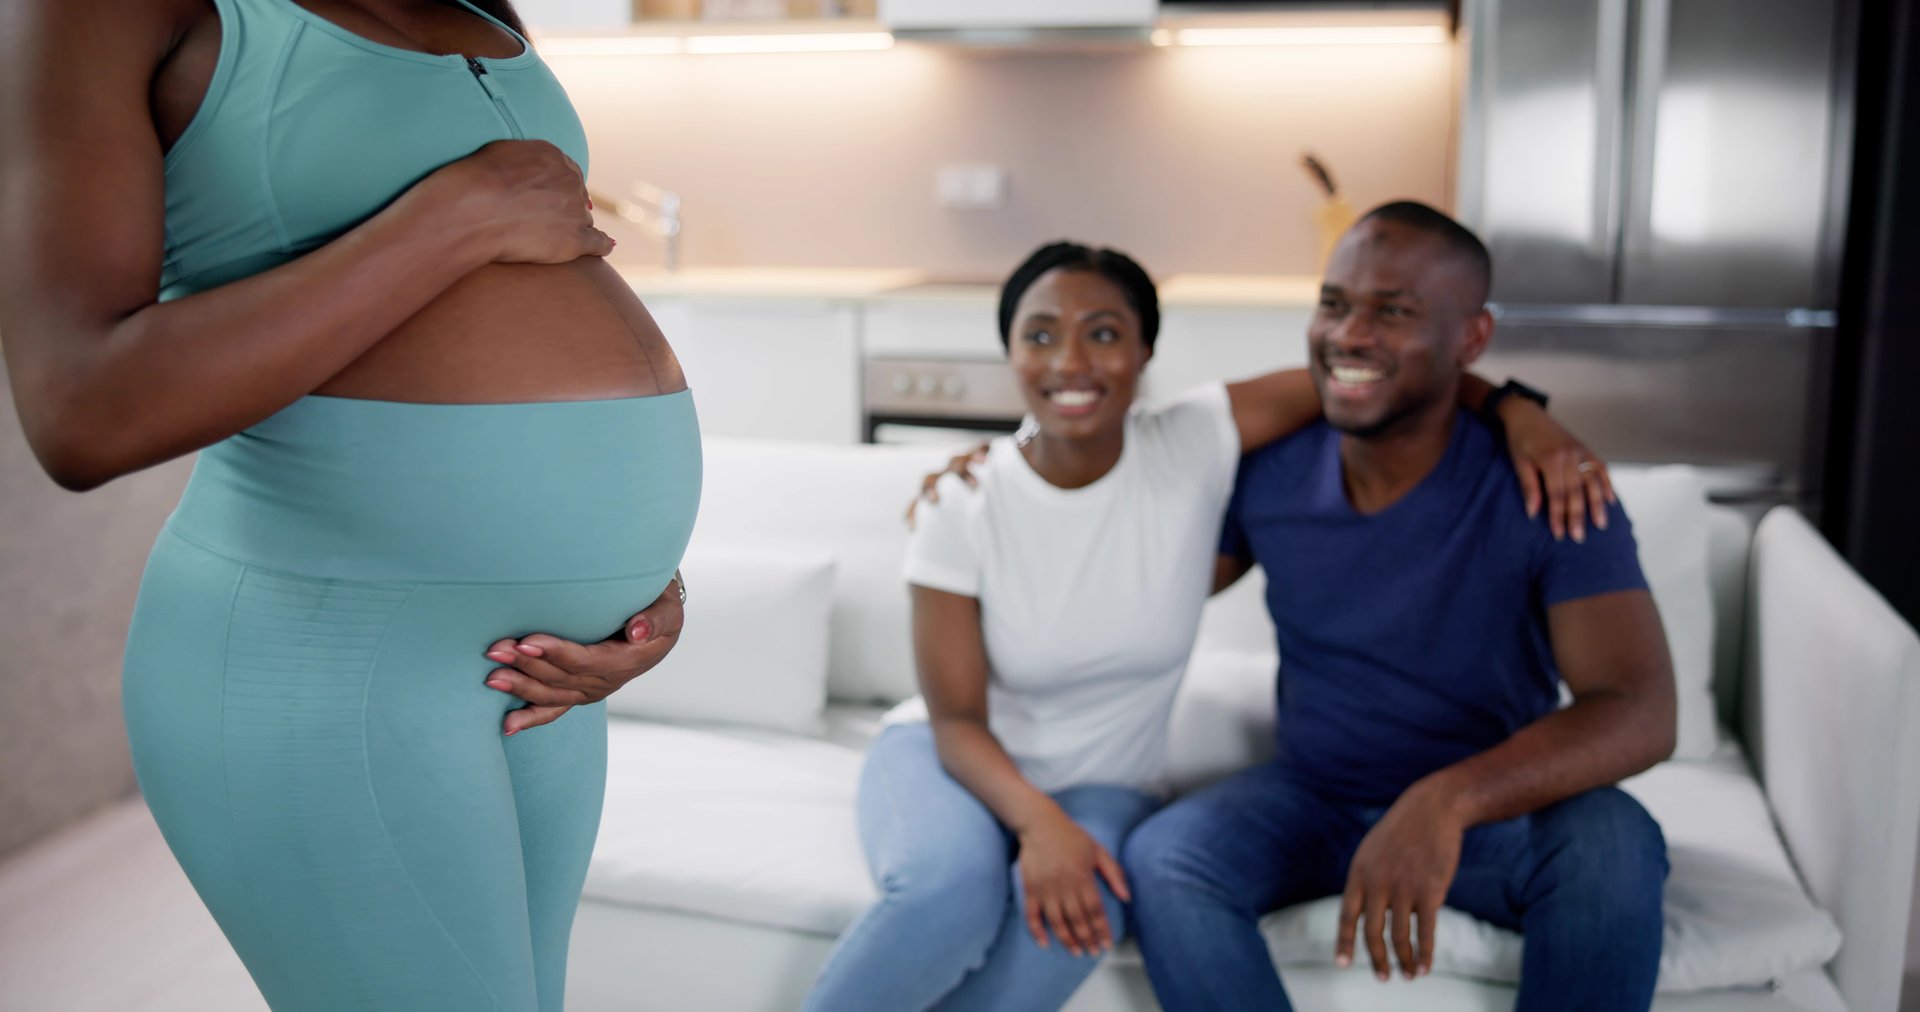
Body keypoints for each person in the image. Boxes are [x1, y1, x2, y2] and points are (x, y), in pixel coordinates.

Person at [0, 2, 699, 1009]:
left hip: (546, 676)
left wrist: (632, 577)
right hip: (329, 648)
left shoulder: (475, 4)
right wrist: (450, 218)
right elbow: (80, 410)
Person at [800, 240, 1613, 1012]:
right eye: (1039, 335)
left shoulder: (1193, 441)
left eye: (1104, 334)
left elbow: (1378, 372)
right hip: (955, 764)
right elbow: (957, 722)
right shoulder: (963, 503)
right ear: (1009, 351)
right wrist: (1038, 824)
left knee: (1077, 918)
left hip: (1106, 787)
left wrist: (1517, 410)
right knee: (948, 895)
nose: (1070, 362)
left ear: (1146, 354)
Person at [1121, 202, 1676, 1012]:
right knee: (1167, 857)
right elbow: (1129, 565)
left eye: (1395, 311)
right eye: (1335, 303)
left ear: (1472, 339)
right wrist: (1012, 472)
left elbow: (1640, 709)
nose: (1349, 333)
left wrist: (1446, 800)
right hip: (1312, 800)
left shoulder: (1549, 487)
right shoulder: (1270, 470)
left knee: (1614, 841)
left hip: (1492, 816)